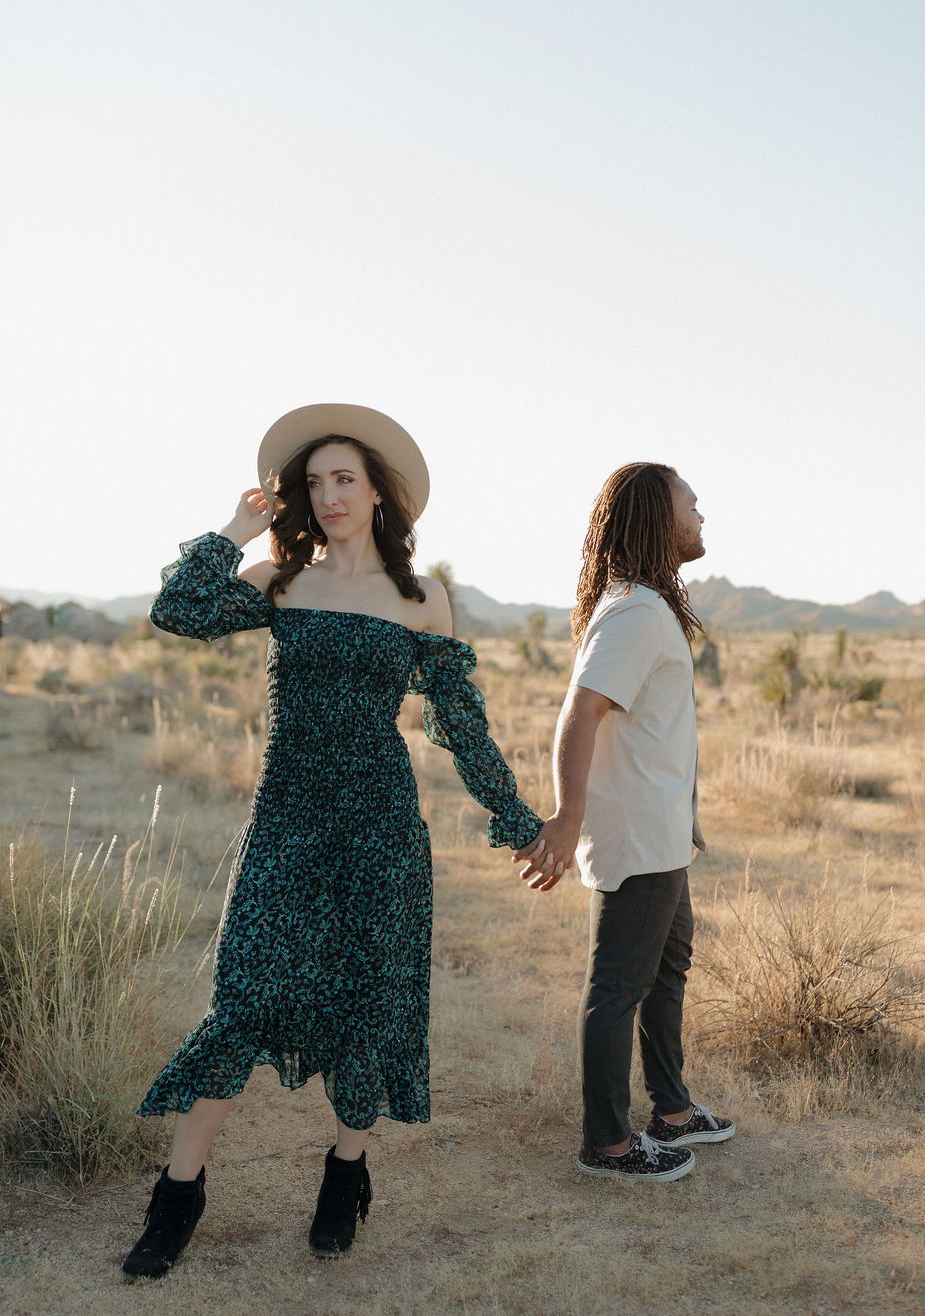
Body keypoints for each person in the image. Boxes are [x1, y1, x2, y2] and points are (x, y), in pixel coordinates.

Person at [122, 403, 548, 1279]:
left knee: (371, 1000)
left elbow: (460, 723)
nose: (327, 496)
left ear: (379, 491)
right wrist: (238, 527)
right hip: (286, 823)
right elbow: (178, 608)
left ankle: (344, 1175)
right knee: (243, 1001)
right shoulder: (286, 583)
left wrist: (517, 819)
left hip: (380, 829)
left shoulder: (423, 601)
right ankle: (177, 1197)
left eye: (343, 479)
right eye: (313, 484)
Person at [516, 462, 734, 1179]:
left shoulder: (645, 606)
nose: (702, 514)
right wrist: (566, 815)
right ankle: (606, 1143)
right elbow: (582, 710)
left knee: (666, 969)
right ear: (654, 517)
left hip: (665, 829)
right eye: (690, 504)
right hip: (637, 832)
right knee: (618, 985)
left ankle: (671, 1110)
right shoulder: (638, 610)